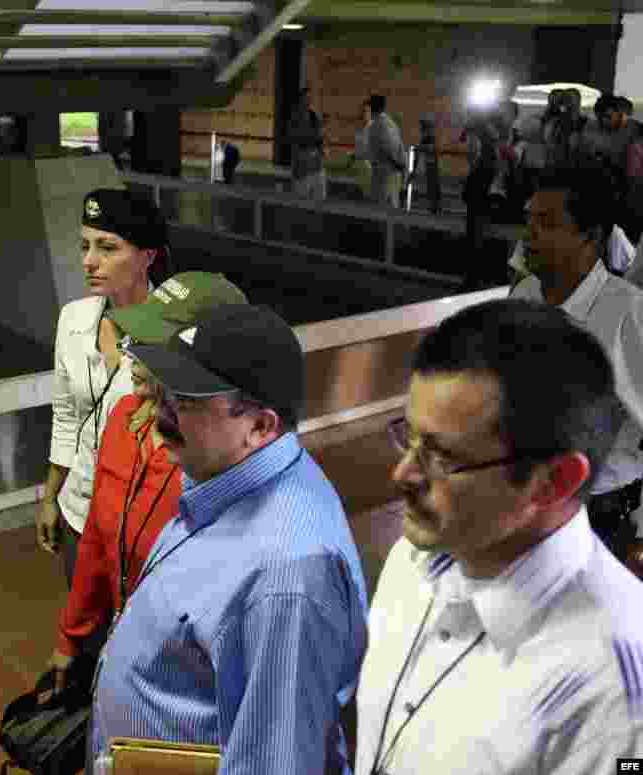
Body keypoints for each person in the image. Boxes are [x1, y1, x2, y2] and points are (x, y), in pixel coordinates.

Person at [354, 298, 643, 774]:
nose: (403, 473)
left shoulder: (615, 695)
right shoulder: (412, 560)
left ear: (554, 481)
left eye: (443, 457)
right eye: (410, 436)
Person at [91, 304, 368, 775]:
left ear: (260, 426)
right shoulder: (220, 473)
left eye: (189, 402)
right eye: (169, 392)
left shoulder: (286, 574)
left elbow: (275, 763)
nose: (162, 411)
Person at [48, 272, 247, 691]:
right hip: (125, 657)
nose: (129, 354)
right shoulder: (124, 419)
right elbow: (98, 541)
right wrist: (71, 636)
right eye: (132, 340)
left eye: (151, 345)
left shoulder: (223, 463)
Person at [509, 170, 643, 576]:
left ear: (592, 236)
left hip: (599, 521)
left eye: (547, 223)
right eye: (528, 220)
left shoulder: (627, 313)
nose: (529, 235)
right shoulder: (525, 295)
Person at [38, 188, 172, 589]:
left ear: (148, 256)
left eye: (107, 247)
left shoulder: (178, 328)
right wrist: (50, 498)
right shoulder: (72, 320)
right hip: (79, 512)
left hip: (147, 522)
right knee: (84, 633)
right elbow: (66, 416)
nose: (88, 261)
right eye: (84, 246)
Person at [286, 86, 327, 201]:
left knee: (320, 203)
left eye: (310, 98)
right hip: (302, 169)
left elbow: (321, 138)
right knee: (301, 203)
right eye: (306, 98)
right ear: (300, 100)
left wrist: (322, 147)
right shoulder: (294, 118)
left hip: (317, 168)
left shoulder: (315, 116)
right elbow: (294, 139)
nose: (308, 101)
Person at [368, 94, 406, 208]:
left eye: (372, 106)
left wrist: (394, 163)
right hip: (394, 172)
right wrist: (401, 166)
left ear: (375, 107)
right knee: (393, 205)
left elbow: (385, 149)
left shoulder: (377, 124)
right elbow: (400, 147)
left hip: (383, 171)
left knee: (381, 207)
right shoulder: (392, 123)